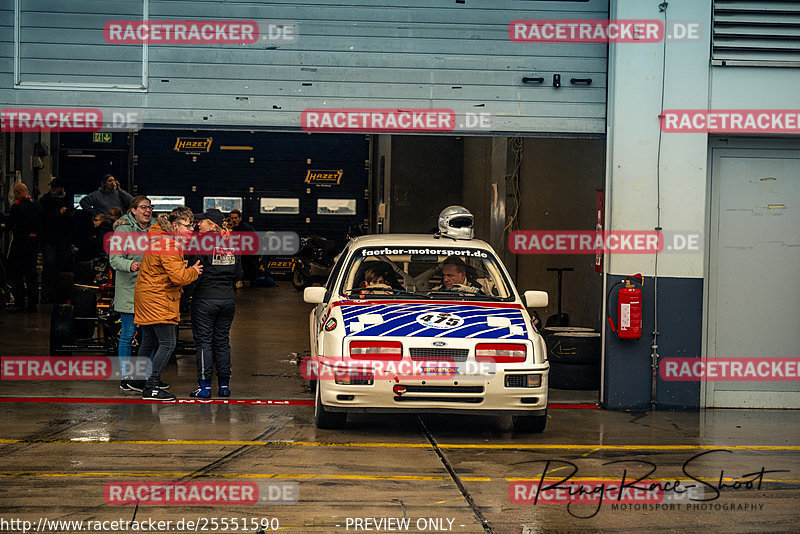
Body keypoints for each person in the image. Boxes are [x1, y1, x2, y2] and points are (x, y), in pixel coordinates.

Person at [134, 207, 202, 401]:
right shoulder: (169, 244)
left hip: (148, 295)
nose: (191, 230)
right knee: (168, 343)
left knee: (148, 340)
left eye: (192, 226)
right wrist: (193, 271)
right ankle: (152, 387)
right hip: (158, 299)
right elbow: (179, 276)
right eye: (187, 226)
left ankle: (139, 380)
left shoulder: (159, 236)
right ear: (175, 225)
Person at [186, 208, 242, 398]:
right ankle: (224, 386)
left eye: (202, 221)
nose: (197, 224)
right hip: (227, 299)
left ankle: (205, 386)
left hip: (205, 299)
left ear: (212, 225)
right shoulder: (232, 243)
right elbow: (238, 274)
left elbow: (196, 273)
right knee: (222, 342)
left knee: (204, 342)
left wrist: (188, 295)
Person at [109, 195, 153, 393]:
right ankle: (125, 377)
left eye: (150, 207)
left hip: (150, 291)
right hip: (129, 290)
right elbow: (115, 260)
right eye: (143, 207)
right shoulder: (123, 230)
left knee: (150, 336)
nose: (147, 211)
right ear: (133, 210)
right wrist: (131, 265)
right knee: (128, 334)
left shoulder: (154, 230)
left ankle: (148, 376)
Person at [5, 184, 42, 312]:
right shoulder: (37, 206)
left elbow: (10, 225)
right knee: (31, 274)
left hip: (20, 244)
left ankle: (20, 302)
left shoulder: (17, 207)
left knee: (17, 273)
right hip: (33, 244)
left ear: (17, 192)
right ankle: (33, 304)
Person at [38, 178, 72, 303]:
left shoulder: (65, 201)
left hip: (60, 239)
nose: (53, 189)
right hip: (50, 239)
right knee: (50, 264)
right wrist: (59, 213)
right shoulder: (45, 201)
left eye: (55, 187)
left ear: (60, 188)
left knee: (58, 266)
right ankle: (47, 294)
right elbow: (44, 218)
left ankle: (55, 293)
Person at [229, 209, 256, 287]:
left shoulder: (246, 228)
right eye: (232, 218)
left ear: (240, 218)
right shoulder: (233, 227)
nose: (234, 220)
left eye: (235, 218)